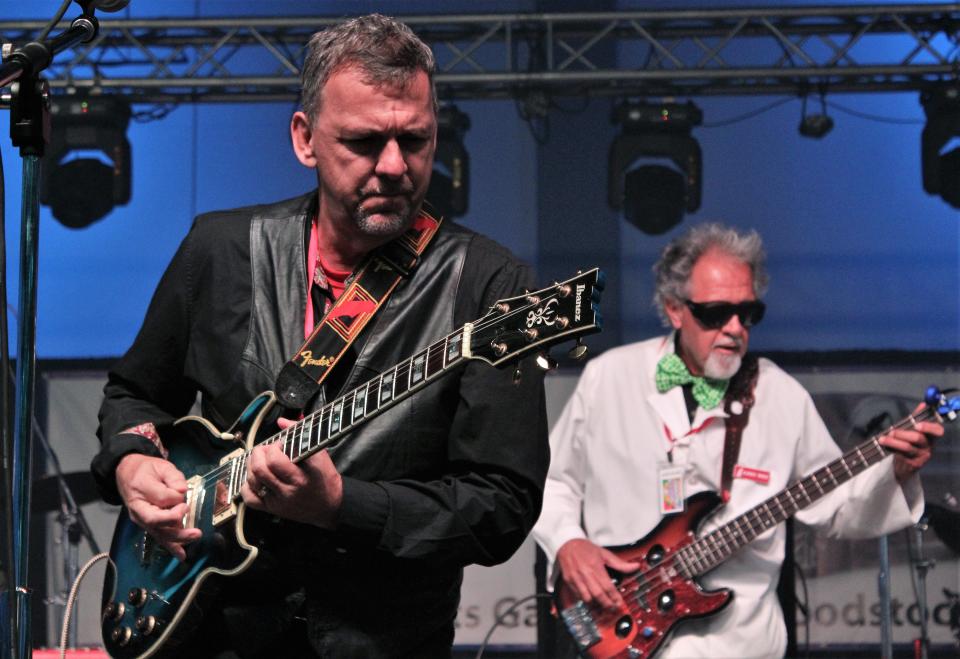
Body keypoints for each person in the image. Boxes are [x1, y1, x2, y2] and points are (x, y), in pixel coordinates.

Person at [90, 14, 548, 659]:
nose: (395, 166)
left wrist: (343, 505)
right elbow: (134, 395)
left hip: (381, 640)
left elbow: (502, 506)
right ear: (305, 139)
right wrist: (132, 462)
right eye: (363, 142)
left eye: (415, 140)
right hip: (209, 628)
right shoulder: (220, 250)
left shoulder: (492, 285)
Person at [532, 222, 944, 658]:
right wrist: (567, 543)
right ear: (675, 309)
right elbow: (549, 481)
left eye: (747, 314)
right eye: (715, 313)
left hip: (744, 644)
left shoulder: (780, 395)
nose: (734, 328)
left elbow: (839, 509)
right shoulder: (609, 377)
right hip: (620, 631)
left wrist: (896, 471)